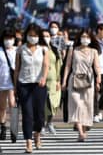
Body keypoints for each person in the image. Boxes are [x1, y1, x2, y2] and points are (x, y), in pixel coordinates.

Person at [14, 23, 49, 153]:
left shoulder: (44, 49)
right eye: (30, 35)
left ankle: (37, 135)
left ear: (38, 36)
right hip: (24, 84)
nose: (32, 38)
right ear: (26, 36)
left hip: (39, 85)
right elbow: (17, 69)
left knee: (39, 115)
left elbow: (46, 66)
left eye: (35, 36)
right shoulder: (21, 49)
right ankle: (28, 142)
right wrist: (15, 86)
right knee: (27, 114)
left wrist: (44, 78)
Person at [62, 29, 101, 142]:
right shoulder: (73, 50)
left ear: (90, 39)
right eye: (83, 37)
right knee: (76, 104)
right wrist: (64, 81)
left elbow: (97, 67)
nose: (85, 39)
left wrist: (98, 79)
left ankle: (83, 130)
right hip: (74, 79)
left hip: (89, 81)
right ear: (79, 38)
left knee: (86, 106)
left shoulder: (93, 51)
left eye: (87, 37)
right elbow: (68, 66)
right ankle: (80, 131)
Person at [41, 29, 62, 135]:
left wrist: (58, 80)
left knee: (54, 103)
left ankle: (49, 122)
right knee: (43, 104)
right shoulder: (38, 49)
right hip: (41, 81)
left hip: (54, 81)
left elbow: (59, 65)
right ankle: (42, 125)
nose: (46, 38)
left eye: (48, 35)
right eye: (44, 36)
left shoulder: (54, 49)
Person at [0, 27, 16, 140]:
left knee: (12, 104)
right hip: (1, 81)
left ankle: (13, 129)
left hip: (12, 82)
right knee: (2, 107)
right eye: (6, 38)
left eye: (10, 38)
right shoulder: (0, 50)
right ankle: (3, 126)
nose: (8, 40)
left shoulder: (17, 50)